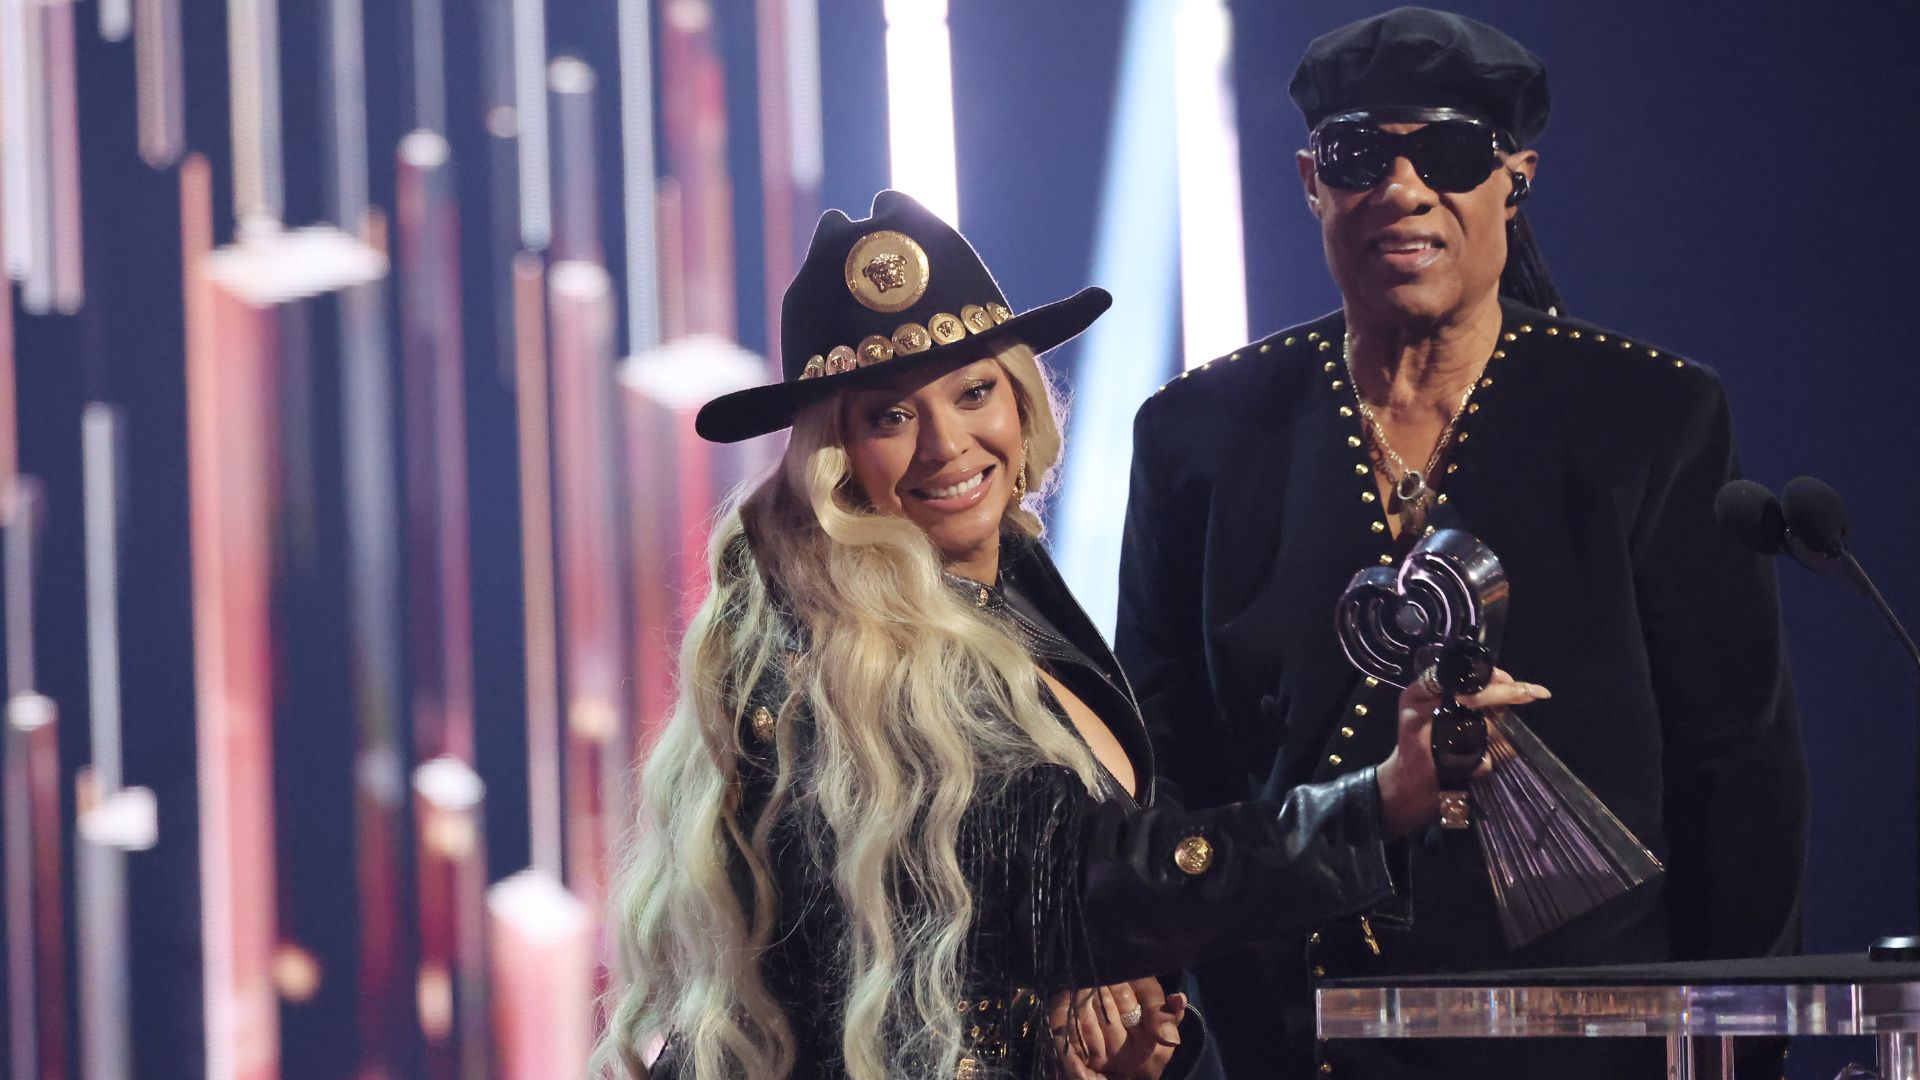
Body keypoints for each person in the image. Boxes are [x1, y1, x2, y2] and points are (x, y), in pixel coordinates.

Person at [592, 190, 1541, 1080]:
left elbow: (1001, 936)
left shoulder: (1001, 585)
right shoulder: (833, 652)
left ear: (1019, 400)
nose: (946, 445)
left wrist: (1098, 1042)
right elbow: (1076, 877)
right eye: (889, 416)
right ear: (835, 460)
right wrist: (1378, 801)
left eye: (971, 394)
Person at [1116, 8, 1810, 1079]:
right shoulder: (1198, 434)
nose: (1401, 191)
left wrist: (1736, 1052)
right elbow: (1166, 753)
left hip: (1593, 1043)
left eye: (1445, 153)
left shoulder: (1649, 415)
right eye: (1358, 156)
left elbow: (1737, 770)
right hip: (1298, 1040)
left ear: (1513, 179)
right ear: (1311, 180)